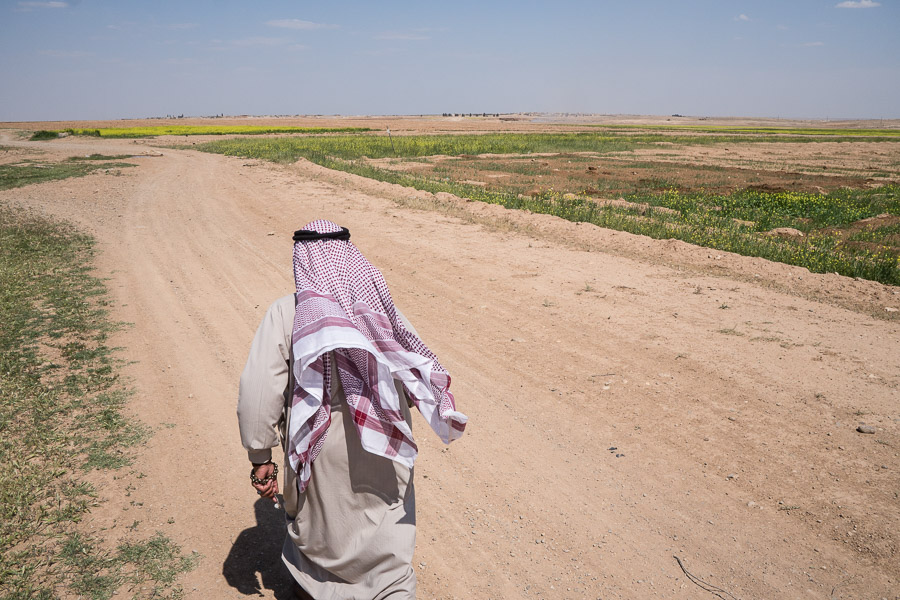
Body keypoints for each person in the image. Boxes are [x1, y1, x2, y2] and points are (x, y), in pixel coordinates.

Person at [237, 219, 467, 599]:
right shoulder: (375, 305)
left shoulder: (285, 314)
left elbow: (259, 393)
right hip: (383, 441)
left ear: (302, 260)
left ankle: (319, 589)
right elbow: (410, 362)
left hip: (318, 446)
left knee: (323, 527)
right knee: (386, 531)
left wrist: (260, 455)